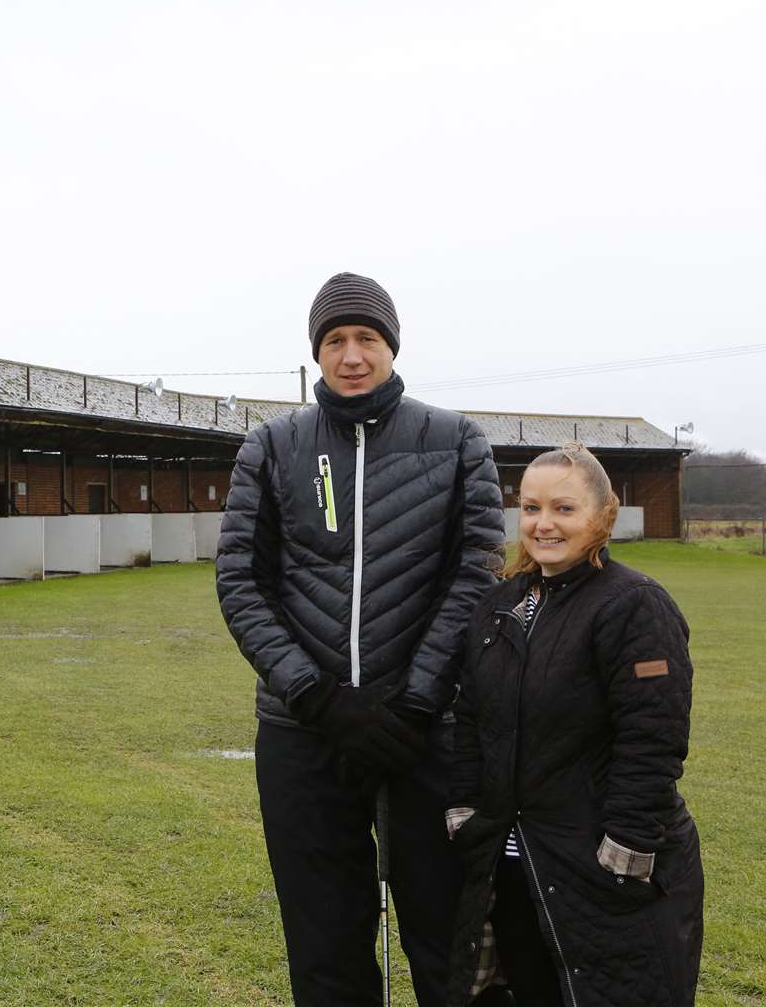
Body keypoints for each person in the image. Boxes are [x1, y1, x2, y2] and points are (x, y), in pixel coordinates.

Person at [216, 272, 506, 1006]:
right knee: (325, 946)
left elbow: (475, 575)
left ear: (391, 346)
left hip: (426, 732)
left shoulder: (456, 440)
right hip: (304, 732)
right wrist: (317, 698)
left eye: (366, 338)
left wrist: (412, 704)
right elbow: (241, 582)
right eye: (335, 340)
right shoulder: (272, 446)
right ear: (317, 352)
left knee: (447, 939)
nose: (351, 355)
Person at [445, 443, 703, 1006]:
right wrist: (465, 811)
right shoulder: (498, 605)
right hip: (513, 866)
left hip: (599, 870)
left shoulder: (634, 605)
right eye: (532, 508)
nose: (544, 524)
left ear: (601, 515)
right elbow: (470, 718)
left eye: (564, 509)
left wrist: (625, 849)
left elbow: (652, 737)